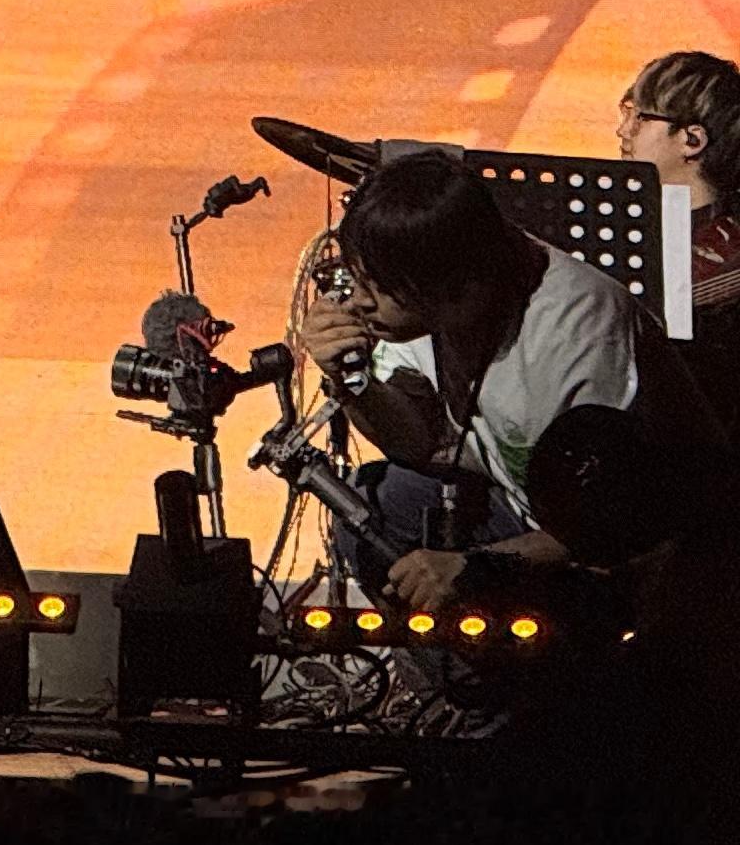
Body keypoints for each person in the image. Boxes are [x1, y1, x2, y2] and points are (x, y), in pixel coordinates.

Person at [288, 145, 661, 614]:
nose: (358, 301)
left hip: (622, 556)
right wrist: (351, 378)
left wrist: (475, 567)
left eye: (378, 287)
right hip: (526, 507)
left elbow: (615, 531)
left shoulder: (578, 336)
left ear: (460, 288)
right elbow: (416, 444)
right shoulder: (429, 293)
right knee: (373, 507)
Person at [616, 49, 740, 433]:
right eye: (625, 113)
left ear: (691, 140)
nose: (623, 130)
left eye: (640, 117)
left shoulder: (726, 255)